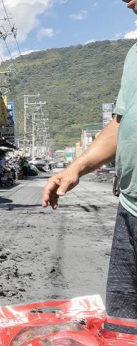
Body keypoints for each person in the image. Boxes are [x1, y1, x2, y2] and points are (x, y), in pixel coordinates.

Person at [42, 4, 136, 323]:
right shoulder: (134, 55)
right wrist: (75, 169)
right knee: (122, 325)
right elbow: (121, 125)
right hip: (131, 210)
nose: (128, 2)